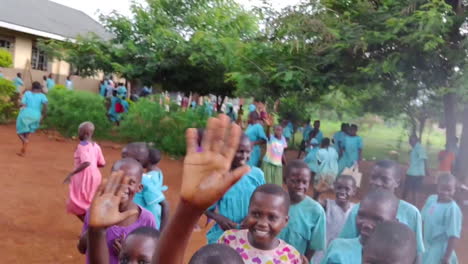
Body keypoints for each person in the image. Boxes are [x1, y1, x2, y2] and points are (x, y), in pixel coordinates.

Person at [339, 160, 425, 257]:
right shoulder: (358, 209)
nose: (377, 183)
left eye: (385, 179)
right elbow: (345, 243)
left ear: (397, 183)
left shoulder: (412, 213)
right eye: (373, 177)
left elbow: (417, 251)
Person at [78, 158, 156, 264]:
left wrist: (125, 254)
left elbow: (153, 256)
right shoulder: (96, 211)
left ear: (139, 188)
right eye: (118, 180)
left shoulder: (147, 219)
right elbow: (81, 248)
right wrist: (96, 229)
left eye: (131, 182)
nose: (123, 186)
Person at [218, 184, 302, 263]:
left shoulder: (291, 257)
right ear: (248, 212)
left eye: (272, 217)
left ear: (285, 221)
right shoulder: (229, 240)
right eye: (256, 214)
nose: (262, 223)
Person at [205, 134, 265, 243]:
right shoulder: (219, 178)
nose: (244, 155)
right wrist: (220, 219)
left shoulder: (257, 175)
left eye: (248, 152)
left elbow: (264, 202)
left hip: (250, 233)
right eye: (240, 151)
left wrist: (252, 217)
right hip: (225, 232)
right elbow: (206, 207)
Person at [321, 190, 399, 264]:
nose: (366, 224)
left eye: (377, 220)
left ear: (394, 222)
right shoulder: (337, 247)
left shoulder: (394, 258)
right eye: (361, 215)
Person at [279, 160, 327, 261]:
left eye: (304, 182)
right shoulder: (276, 202)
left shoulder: (316, 211)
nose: (300, 186)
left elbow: (314, 245)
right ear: (285, 180)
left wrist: (305, 260)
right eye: (294, 181)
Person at [122, 143, 170, 230]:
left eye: (125, 158)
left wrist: (162, 234)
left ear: (138, 161)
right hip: (134, 225)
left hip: (147, 228)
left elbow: (165, 204)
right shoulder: (126, 178)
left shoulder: (144, 180)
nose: (121, 161)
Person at [64, 122, 106, 222]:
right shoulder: (96, 146)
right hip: (95, 176)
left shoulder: (81, 146)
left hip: (84, 177)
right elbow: (102, 163)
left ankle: (89, 227)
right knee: (90, 201)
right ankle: (91, 225)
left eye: (80, 132)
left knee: (76, 203)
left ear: (86, 133)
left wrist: (72, 173)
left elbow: (86, 162)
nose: (78, 134)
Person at [311, 175, 356, 264]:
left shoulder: (355, 210)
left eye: (347, 189)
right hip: (323, 252)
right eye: (339, 188)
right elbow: (314, 205)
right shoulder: (327, 204)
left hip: (342, 254)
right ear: (334, 188)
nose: (342, 192)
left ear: (354, 191)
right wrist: (317, 193)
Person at [421, 173, 462, 264]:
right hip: (426, 246)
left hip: (440, 250)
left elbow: (453, 235)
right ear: (437, 187)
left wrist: (446, 257)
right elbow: (422, 220)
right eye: (442, 189)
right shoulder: (431, 199)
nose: (445, 192)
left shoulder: (452, 209)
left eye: (449, 190)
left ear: (454, 190)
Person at [16, 81, 48, 156]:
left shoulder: (27, 93)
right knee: (27, 132)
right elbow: (45, 105)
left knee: (19, 132)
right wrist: (43, 115)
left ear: (32, 87)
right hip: (36, 115)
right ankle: (23, 150)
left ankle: (25, 141)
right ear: (39, 88)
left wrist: (19, 101)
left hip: (25, 114)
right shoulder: (42, 95)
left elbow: (22, 104)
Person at [403, 135, 429, 206]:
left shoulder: (419, 148)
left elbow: (424, 158)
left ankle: (404, 204)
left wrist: (426, 170)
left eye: (412, 140)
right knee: (414, 190)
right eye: (410, 141)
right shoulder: (416, 148)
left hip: (414, 173)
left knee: (408, 189)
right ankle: (414, 205)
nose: (410, 142)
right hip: (416, 172)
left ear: (416, 141)